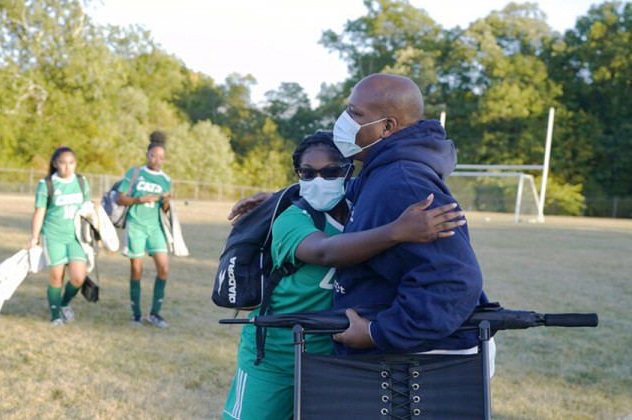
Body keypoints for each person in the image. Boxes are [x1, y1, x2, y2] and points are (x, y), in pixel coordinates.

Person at [229, 74, 489, 358]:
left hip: (426, 362)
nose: (344, 119)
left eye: (354, 112)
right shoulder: (382, 171)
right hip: (403, 359)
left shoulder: (403, 182)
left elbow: (455, 281)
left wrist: (379, 333)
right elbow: (344, 192)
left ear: (387, 127)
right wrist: (279, 198)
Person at [222, 131, 467, 420]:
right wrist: (397, 231)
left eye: (330, 172)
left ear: (349, 172)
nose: (318, 181)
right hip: (275, 357)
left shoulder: (362, 210)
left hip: (334, 358)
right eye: (307, 173)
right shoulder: (290, 219)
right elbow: (326, 251)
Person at [27, 146, 90, 327]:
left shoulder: (81, 182)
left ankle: (64, 303)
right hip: (53, 235)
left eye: (71, 163)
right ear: (55, 164)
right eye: (62, 163)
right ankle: (55, 316)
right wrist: (34, 236)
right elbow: (40, 212)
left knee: (78, 277)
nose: (67, 167)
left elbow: (87, 209)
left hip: (75, 236)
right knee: (56, 276)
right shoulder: (46, 184)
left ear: (75, 163)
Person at [115, 131, 173, 328]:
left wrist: (166, 201)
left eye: (161, 157)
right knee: (136, 270)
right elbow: (119, 198)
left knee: (163, 269)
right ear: (147, 155)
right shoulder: (135, 173)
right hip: (136, 225)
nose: (157, 160)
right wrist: (140, 199)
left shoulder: (166, 179)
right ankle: (136, 314)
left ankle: (155, 314)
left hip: (155, 227)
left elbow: (165, 210)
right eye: (153, 156)